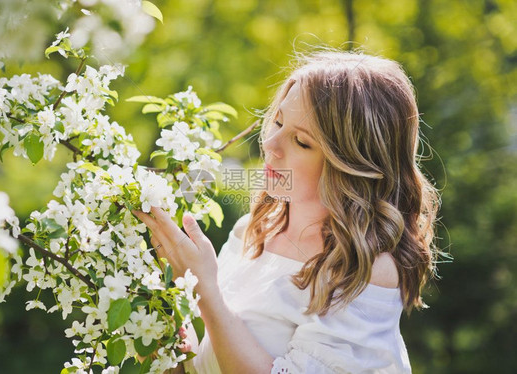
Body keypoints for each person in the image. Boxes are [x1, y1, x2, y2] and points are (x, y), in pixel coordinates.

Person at [133, 48, 440, 373]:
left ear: (352, 165)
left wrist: (205, 290)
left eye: (301, 142)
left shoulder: (364, 272)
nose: (271, 145)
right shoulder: (253, 229)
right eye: (277, 122)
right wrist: (154, 321)